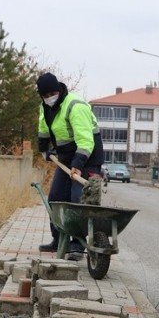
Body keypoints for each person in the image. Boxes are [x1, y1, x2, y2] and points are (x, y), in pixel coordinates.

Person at [35, 72, 105, 256]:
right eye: (45, 95)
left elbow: (86, 140)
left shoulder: (75, 105)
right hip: (66, 158)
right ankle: (59, 240)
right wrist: (44, 150)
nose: (50, 98)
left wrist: (78, 164)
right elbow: (43, 129)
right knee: (56, 198)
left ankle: (78, 245)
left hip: (88, 157)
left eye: (52, 93)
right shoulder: (45, 108)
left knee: (78, 200)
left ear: (59, 89)